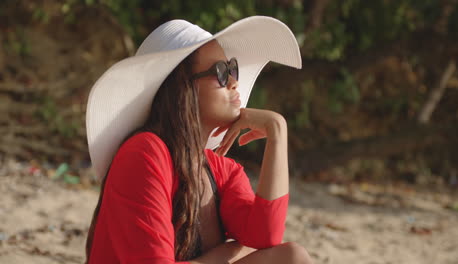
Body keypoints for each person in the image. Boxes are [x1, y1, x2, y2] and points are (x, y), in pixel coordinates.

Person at [85, 16, 312, 264]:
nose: (235, 82)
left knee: (292, 257)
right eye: (221, 72)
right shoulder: (144, 153)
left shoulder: (222, 170)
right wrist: (226, 253)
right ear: (183, 88)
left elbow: (266, 236)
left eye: (232, 69)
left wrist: (277, 130)